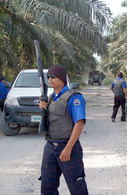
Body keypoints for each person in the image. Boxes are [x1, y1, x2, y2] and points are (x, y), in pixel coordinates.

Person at [38, 65, 88, 195]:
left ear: (62, 78)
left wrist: (68, 148)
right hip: (50, 146)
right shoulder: (50, 98)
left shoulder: (74, 98)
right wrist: (43, 107)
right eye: (48, 76)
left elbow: (79, 123)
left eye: (53, 76)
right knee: (47, 188)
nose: (49, 79)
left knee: (77, 187)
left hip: (68, 147)